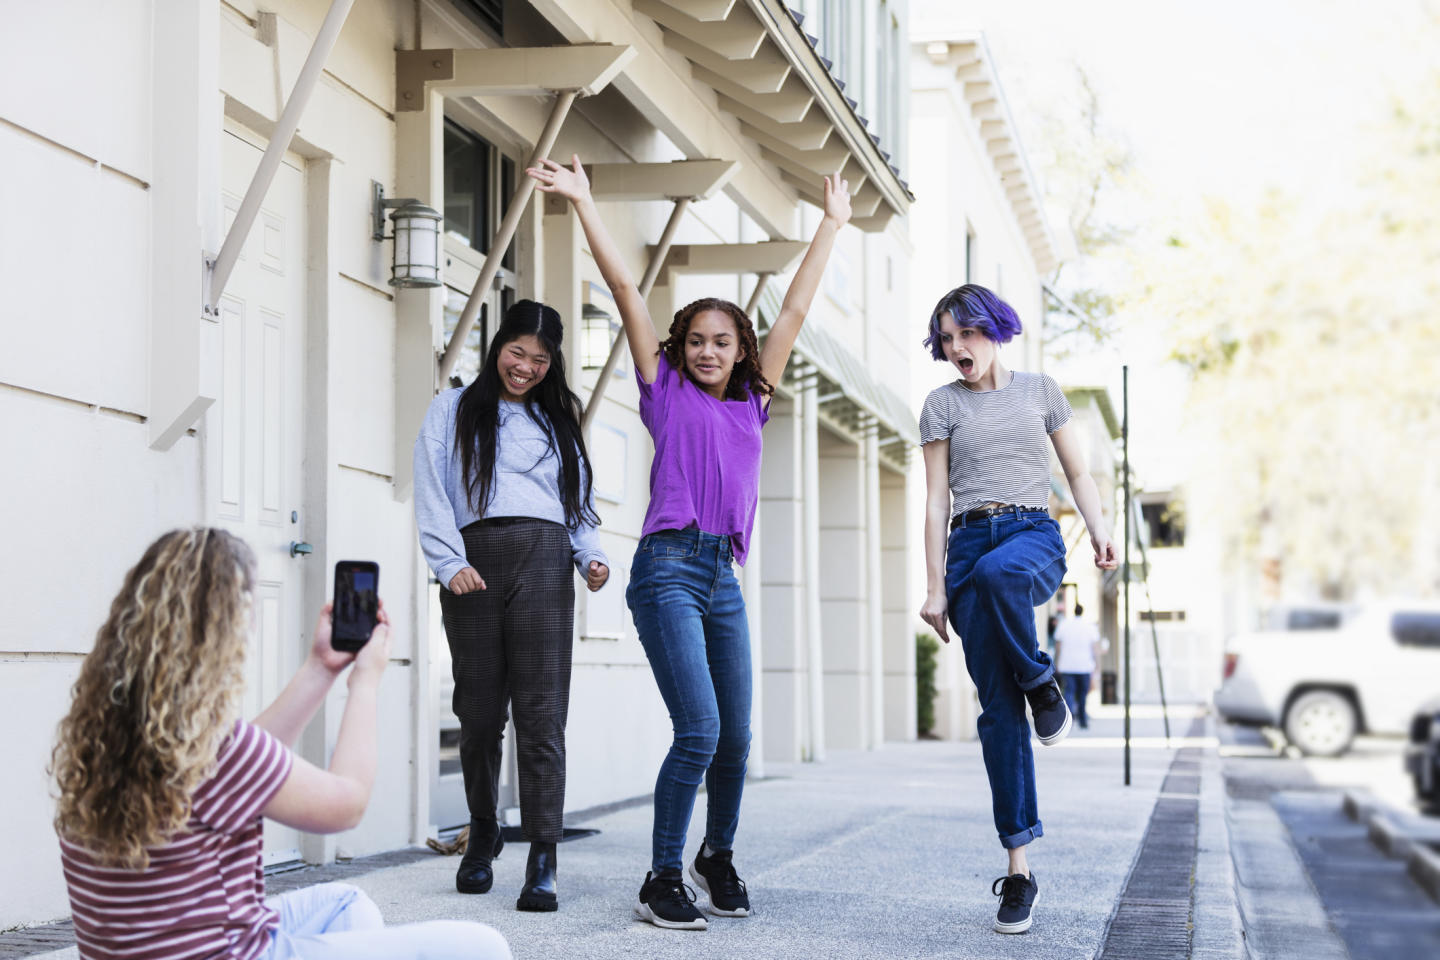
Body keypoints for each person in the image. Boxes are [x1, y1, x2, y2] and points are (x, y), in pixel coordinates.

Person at [529, 155, 850, 930]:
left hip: (722, 578)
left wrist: (831, 227)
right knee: (699, 729)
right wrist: (584, 202)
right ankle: (660, 878)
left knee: (737, 736)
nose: (709, 351)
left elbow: (795, 315)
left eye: (723, 341)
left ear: (742, 351)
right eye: (697, 340)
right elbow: (628, 291)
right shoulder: (663, 390)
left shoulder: (753, 404)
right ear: (682, 348)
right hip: (667, 569)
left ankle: (717, 855)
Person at [51, 527, 511, 960]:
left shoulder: (100, 741)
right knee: (481, 946)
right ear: (220, 634)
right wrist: (365, 680)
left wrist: (321, 667)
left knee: (348, 906)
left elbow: (248, 764)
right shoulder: (219, 750)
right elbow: (346, 805)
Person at [916, 284, 1118, 936]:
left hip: (1032, 536)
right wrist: (936, 587)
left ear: (993, 330)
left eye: (965, 334)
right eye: (946, 340)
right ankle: (1020, 870)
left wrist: (1102, 528)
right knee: (999, 715)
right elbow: (936, 501)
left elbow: (1079, 474)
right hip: (968, 543)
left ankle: (1041, 678)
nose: (956, 349)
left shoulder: (1042, 391)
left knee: (1004, 578)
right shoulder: (941, 405)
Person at [414, 300, 610, 912]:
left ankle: (543, 855)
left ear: (552, 365)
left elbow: (578, 498)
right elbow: (430, 486)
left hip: (545, 562)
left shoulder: (558, 423)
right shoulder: (452, 408)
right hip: (474, 564)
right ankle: (483, 833)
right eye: (517, 352)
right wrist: (450, 563)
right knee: (477, 714)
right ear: (498, 345)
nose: (525, 367)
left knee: (542, 715)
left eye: (540, 359)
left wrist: (590, 556)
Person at [1053, 602, 1102, 729]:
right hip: (1084, 666)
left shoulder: (1064, 625)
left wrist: (1057, 662)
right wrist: (1097, 665)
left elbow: (1058, 646)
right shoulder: (1090, 627)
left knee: (1069, 692)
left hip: (1067, 665)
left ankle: (1070, 720)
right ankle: (1083, 720)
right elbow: (1095, 648)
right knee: (1082, 693)